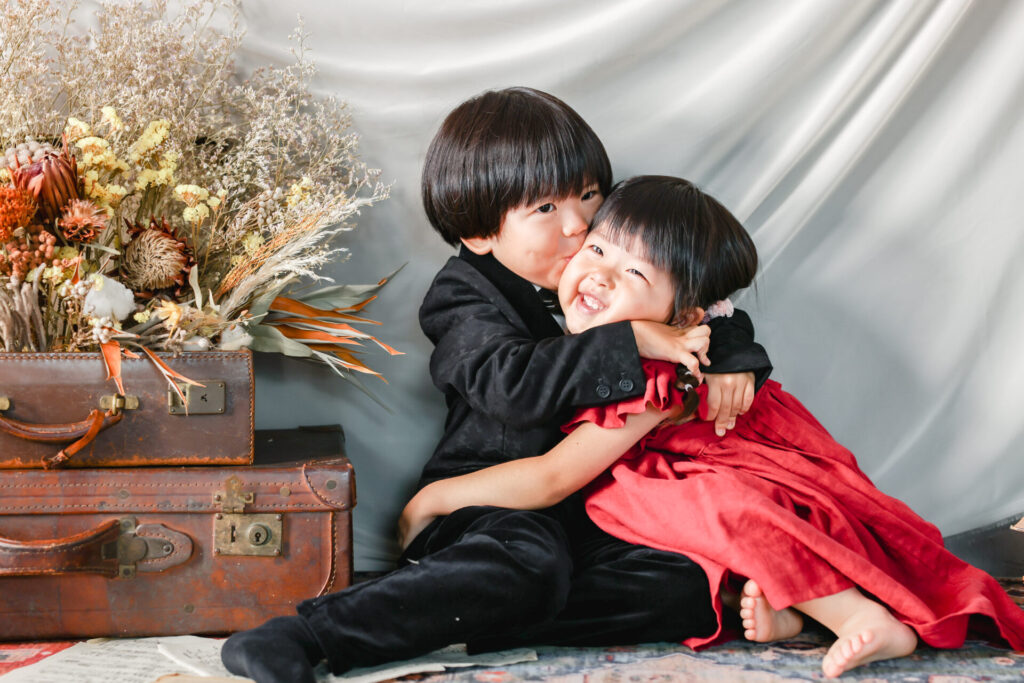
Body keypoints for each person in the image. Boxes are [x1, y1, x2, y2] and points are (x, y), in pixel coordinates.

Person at [222, 89, 773, 683]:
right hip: (485, 505)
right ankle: (305, 635)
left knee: (682, 585)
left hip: (588, 511)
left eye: (589, 195)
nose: (577, 224)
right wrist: (632, 338)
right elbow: (511, 385)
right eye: (546, 208)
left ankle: (472, 614)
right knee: (528, 563)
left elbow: (704, 296)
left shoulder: (599, 266)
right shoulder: (462, 295)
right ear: (481, 232)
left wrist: (731, 356)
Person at [400, 175, 1024, 679]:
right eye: (597, 250)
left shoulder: (659, 371)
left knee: (724, 513)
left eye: (636, 275)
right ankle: (789, 608)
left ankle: (859, 617)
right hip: (655, 468)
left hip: (721, 456)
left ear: (683, 316)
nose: (602, 275)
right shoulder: (551, 317)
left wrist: (432, 500)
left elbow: (554, 477)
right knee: (683, 538)